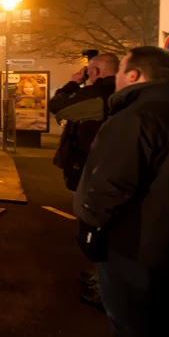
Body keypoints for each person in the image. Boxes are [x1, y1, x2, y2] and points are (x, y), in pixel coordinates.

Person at [72, 46, 169, 337]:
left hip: (130, 242)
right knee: (164, 322)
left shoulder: (134, 119)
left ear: (134, 75)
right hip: (165, 238)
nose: (116, 78)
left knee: (132, 325)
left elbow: (110, 185)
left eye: (120, 71)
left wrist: (89, 227)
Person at [48, 52, 119, 308]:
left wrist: (73, 82)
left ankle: (105, 288)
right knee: (104, 226)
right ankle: (103, 279)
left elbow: (58, 106)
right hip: (106, 167)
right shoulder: (119, 93)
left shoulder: (99, 94)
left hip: (93, 169)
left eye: (89, 70)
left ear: (95, 71)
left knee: (95, 227)